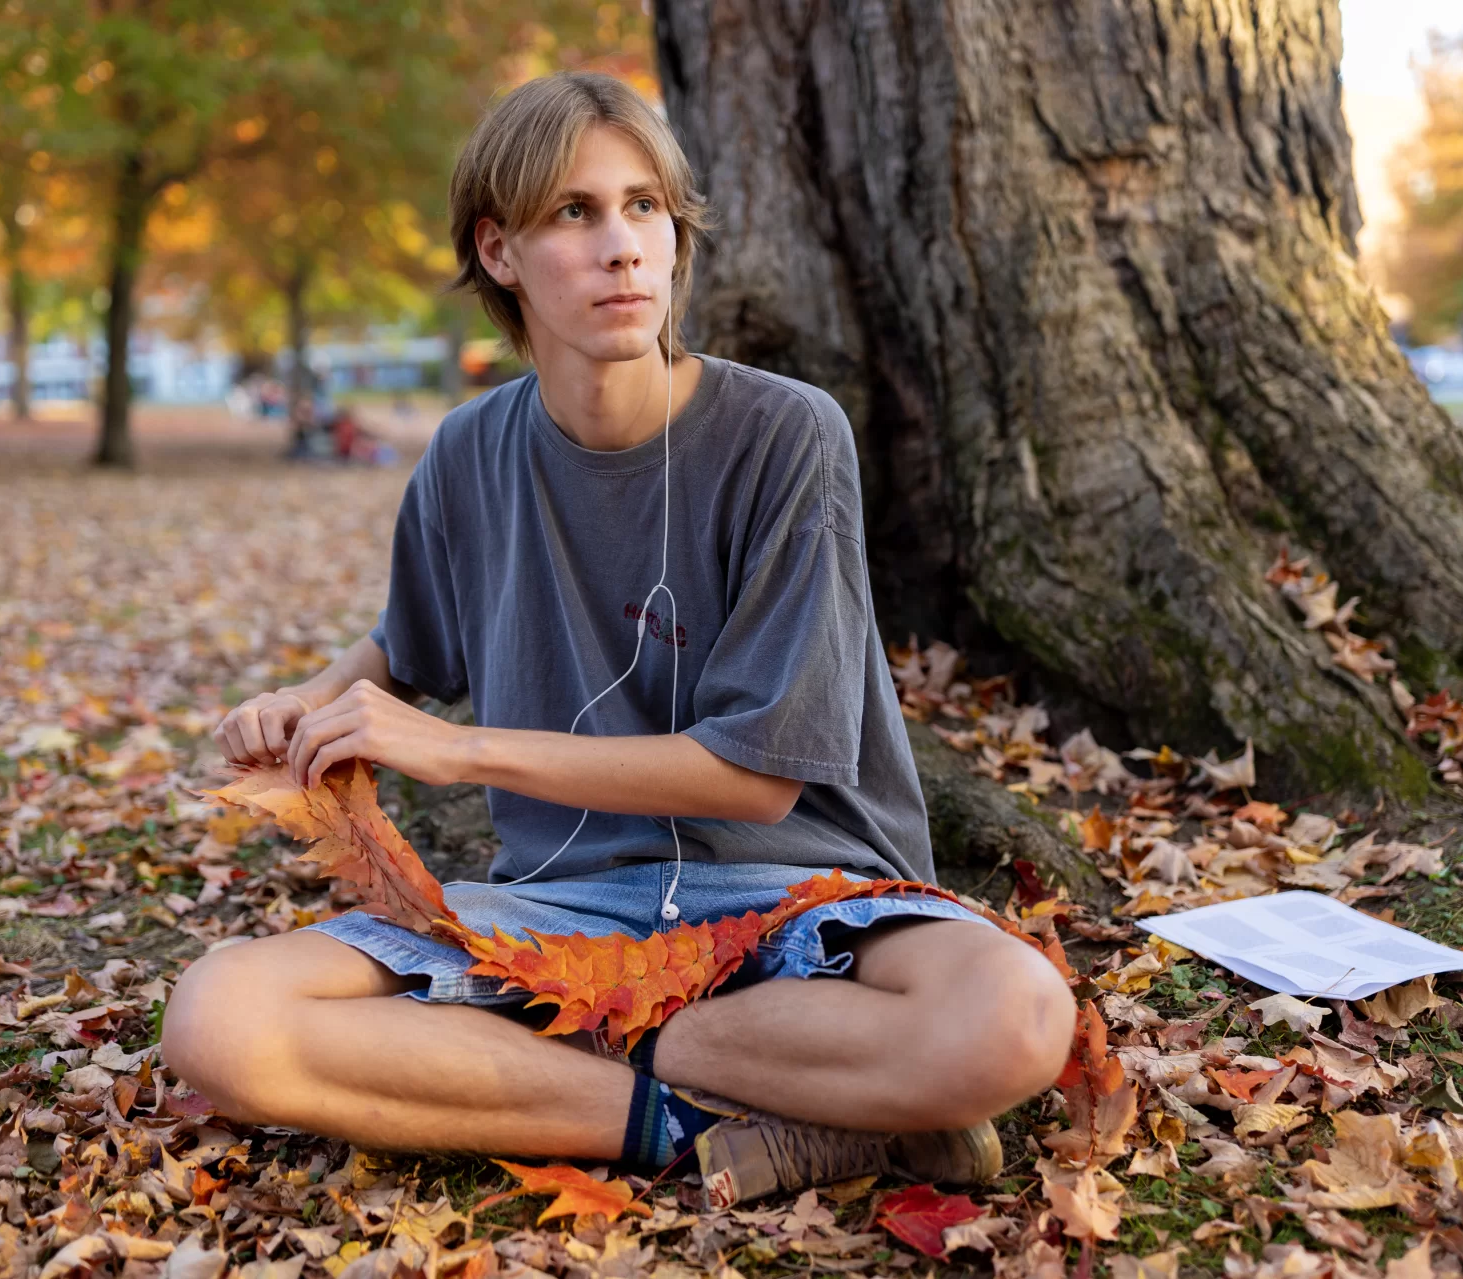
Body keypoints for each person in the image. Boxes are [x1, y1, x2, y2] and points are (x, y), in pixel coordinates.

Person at [163, 70, 1073, 1209]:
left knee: (1016, 1018)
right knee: (218, 1018)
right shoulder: (467, 455)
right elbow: (408, 647)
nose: (623, 249)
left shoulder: (784, 435)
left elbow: (752, 781)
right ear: (499, 252)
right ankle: (712, 1127)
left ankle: (622, 1066)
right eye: (574, 214)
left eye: (645, 207)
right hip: (563, 907)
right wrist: (310, 699)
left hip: (799, 898)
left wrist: (465, 751)